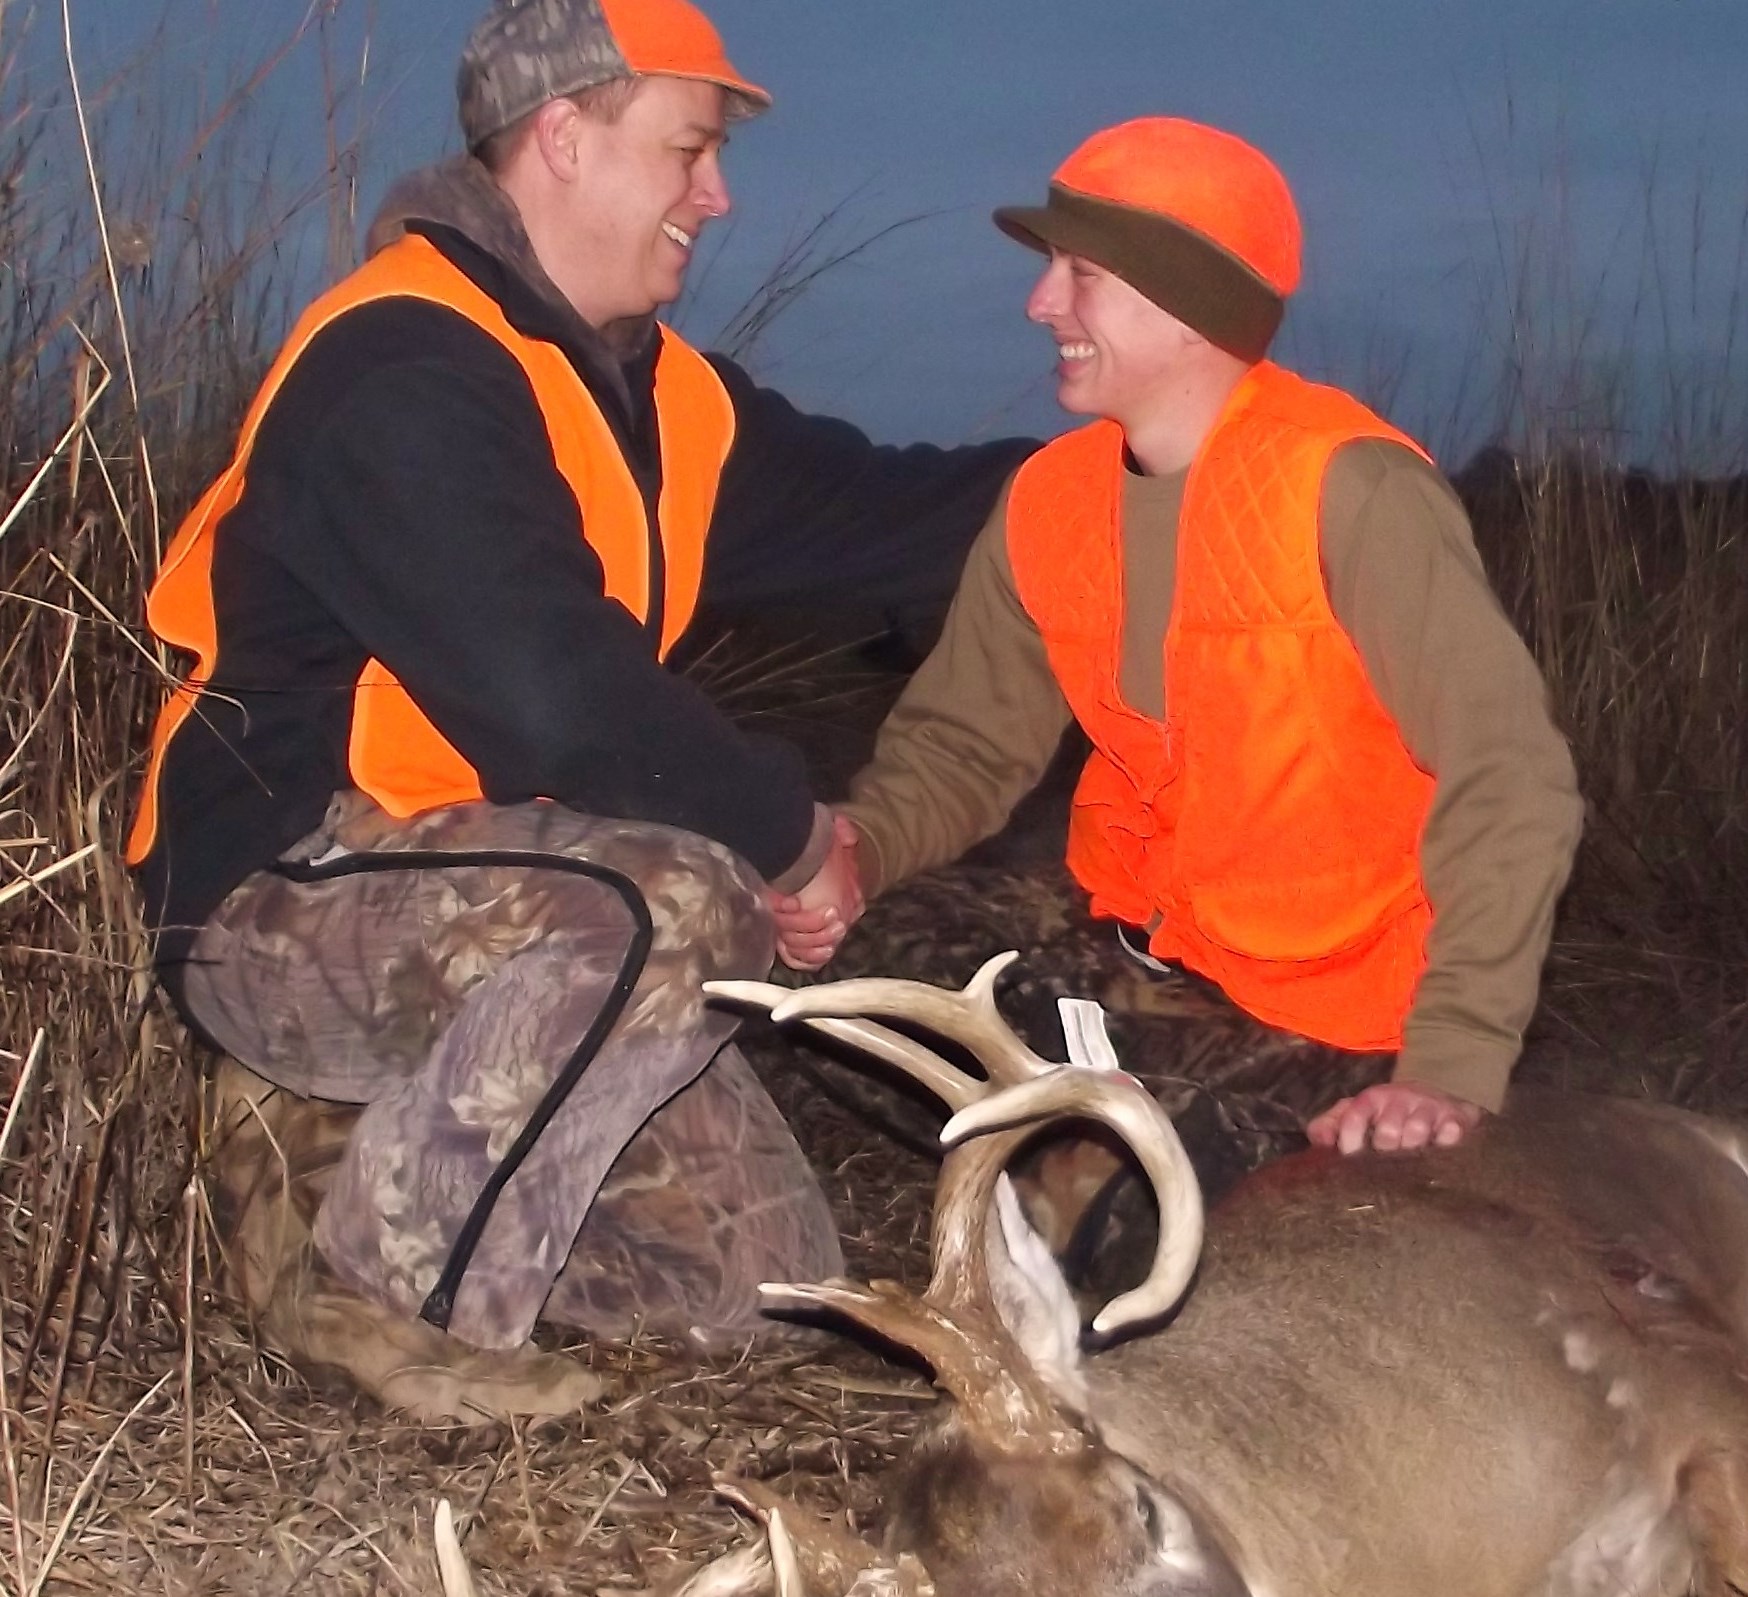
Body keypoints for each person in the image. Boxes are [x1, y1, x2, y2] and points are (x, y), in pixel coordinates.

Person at [127, 0, 1028, 1419]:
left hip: (500, 907)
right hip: (282, 888)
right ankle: (382, 1306)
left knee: (751, 1299)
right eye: (689, 150)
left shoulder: (654, 396)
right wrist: (796, 837)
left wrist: (1151, 478)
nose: (717, 194)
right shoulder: (402, 366)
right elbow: (562, 702)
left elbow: (895, 511)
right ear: (563, 137)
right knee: (676, 899)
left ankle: (323, 1156)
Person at [839, 118, 1584, 1157]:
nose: (1038, 302)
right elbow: (962, 747)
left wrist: (1447, 1065)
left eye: (1079, 273)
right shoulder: (1049, 500)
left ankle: (1139, 1135)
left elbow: (1509, 776)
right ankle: (1096, 1109)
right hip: (1138, 949)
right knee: (846, 980)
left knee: (1153, 1179)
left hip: (1336, 1010)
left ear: (1185, 303)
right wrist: (852, 854)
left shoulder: (1350, 489)